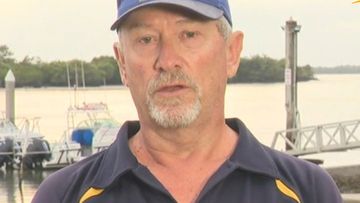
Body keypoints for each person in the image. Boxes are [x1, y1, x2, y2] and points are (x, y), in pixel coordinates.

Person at [32, 0, 343, 202]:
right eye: (146, 39)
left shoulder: (308, 191)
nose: (168, 60)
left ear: (231, 53)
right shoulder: (63, 195)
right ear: (122, 63)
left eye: (189, 35)